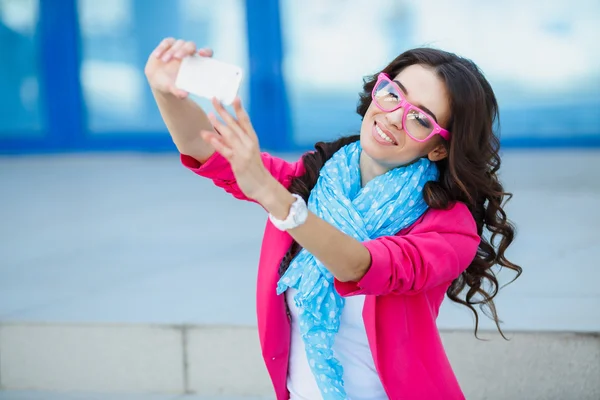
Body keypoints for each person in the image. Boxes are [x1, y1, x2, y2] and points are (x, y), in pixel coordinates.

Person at [145, 37, 522, 400]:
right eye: (393, 94)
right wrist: (164, 91)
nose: (393, 117)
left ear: (440, 148)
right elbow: (205, 148)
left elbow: (362, 264)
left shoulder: (450, 228)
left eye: (420, 119)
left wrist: (280, 203)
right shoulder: (314, 182)